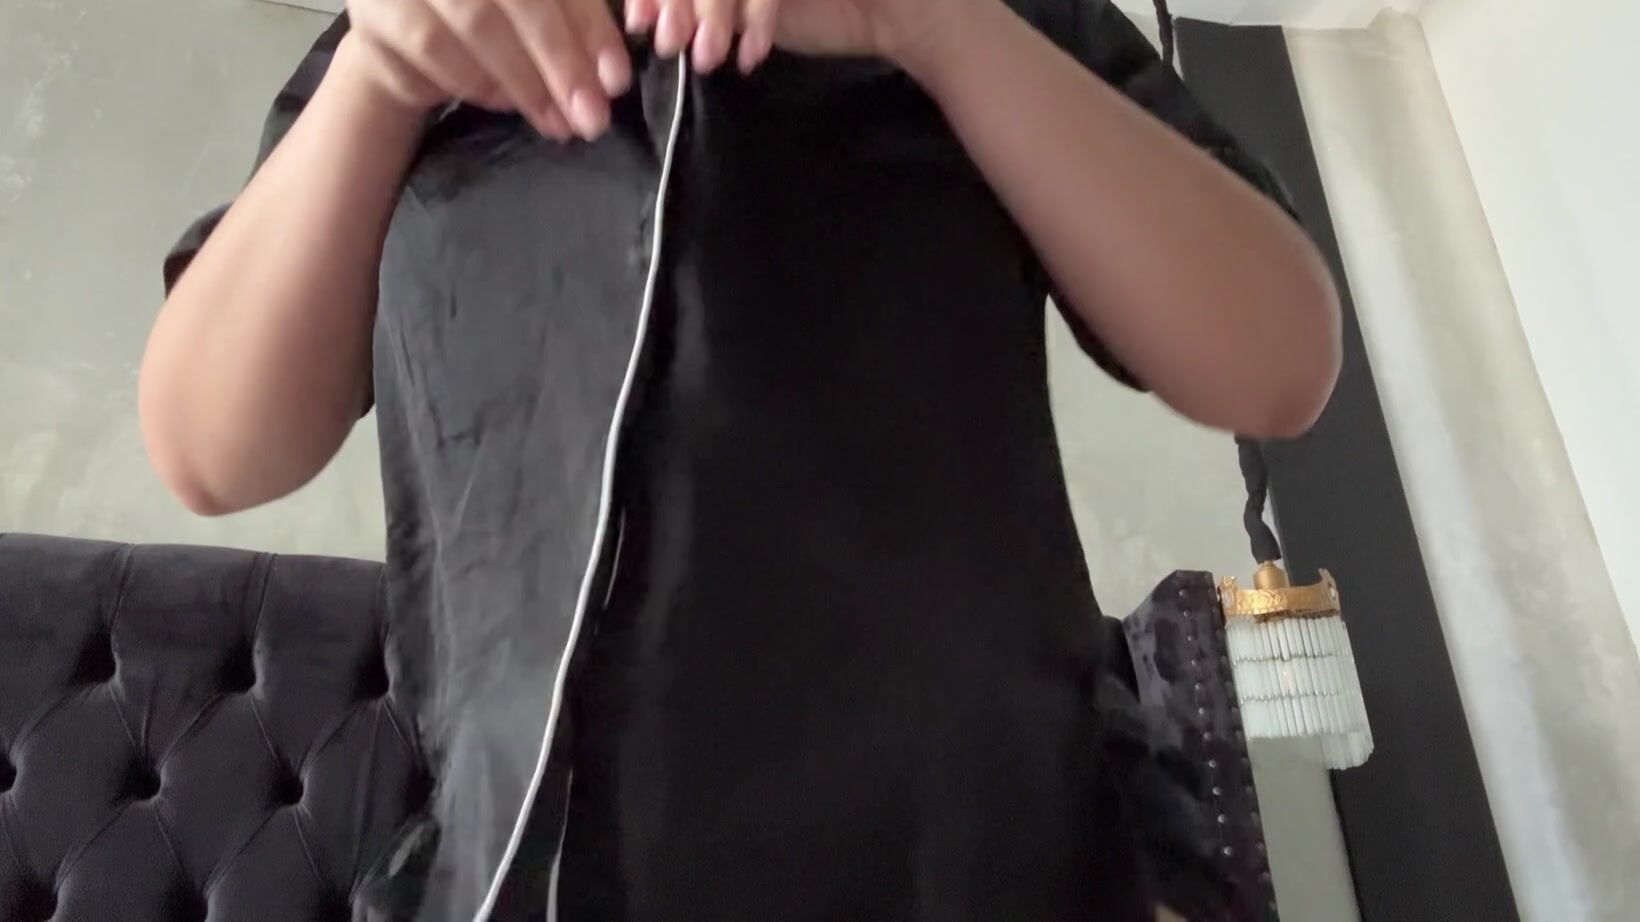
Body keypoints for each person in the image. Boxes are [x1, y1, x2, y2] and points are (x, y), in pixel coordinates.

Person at [140, 0, 1340, 917]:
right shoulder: (412, 32)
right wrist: (379, 73)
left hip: (1010, 849)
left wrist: (932, 26)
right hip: (534, 865)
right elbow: (211, 450)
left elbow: (1276, 364)